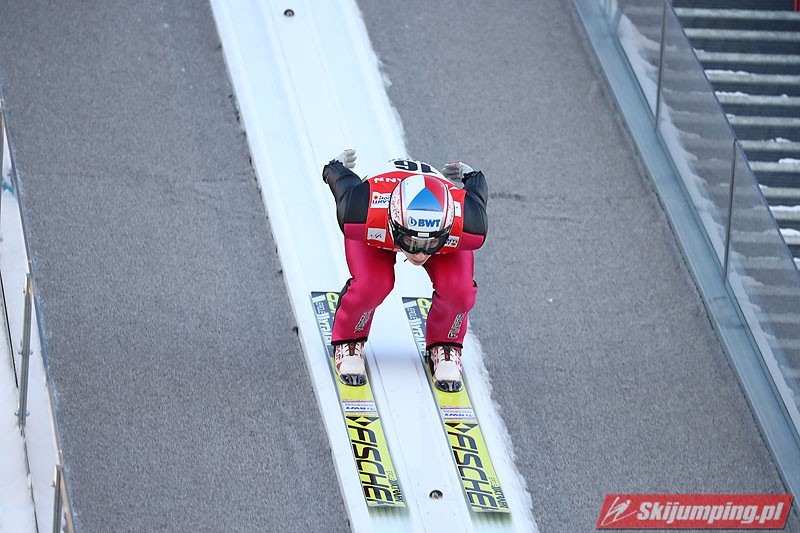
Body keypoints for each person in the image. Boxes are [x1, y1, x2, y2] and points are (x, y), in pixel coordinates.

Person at [322, 149, 488, 392]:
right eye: (411, 242)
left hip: (418, 225)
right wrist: (335, 169)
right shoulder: (360, 210)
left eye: (430, 243)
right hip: (379, 221)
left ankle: (446, 344)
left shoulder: (469, 223)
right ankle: (349, 339)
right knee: (372, 284)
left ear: (448, 228)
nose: (419, 254)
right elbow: (343, 184)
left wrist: (473, 177)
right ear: (394, 222)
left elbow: (477, 196)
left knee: (459, 290)